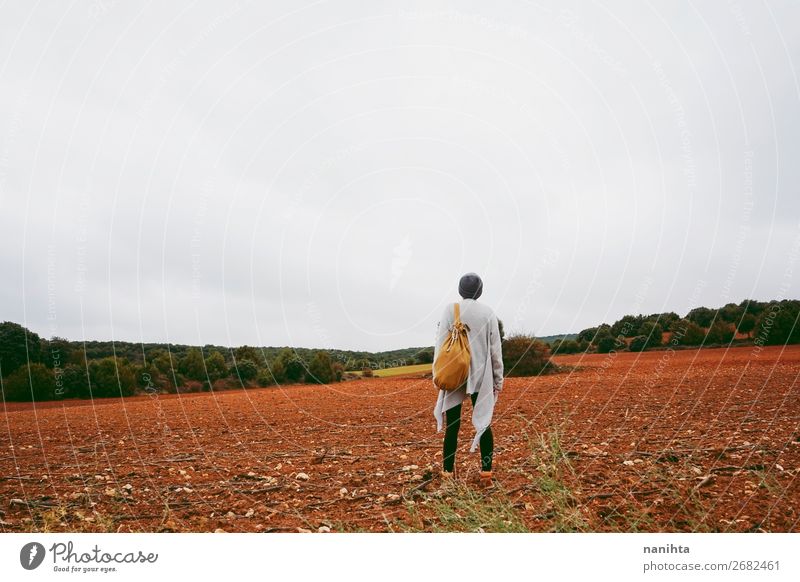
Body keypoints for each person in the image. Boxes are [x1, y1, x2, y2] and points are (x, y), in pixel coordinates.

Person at [433, 272, 504, 488]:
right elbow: (495, 351)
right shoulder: (488, 313)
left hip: (454, 371)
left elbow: (440, 343)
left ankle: (447, 476)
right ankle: (486, 474)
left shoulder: (449, 310)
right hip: (481, 376)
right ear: (479, 291)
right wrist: (498, 379)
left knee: (452, 426)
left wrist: (438, 373)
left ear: (460, 290)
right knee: (484, 425)